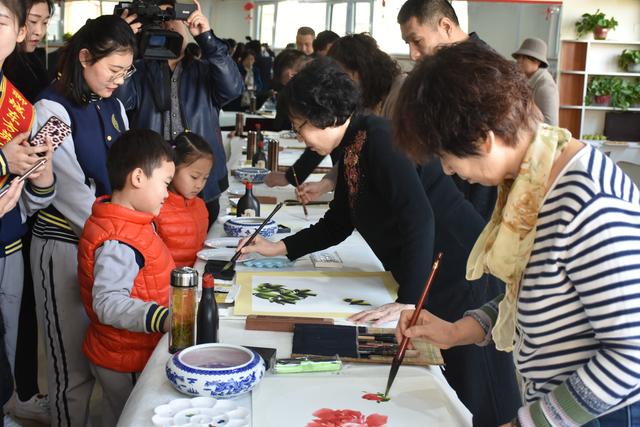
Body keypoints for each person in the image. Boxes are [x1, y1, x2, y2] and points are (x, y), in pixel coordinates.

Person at [394, 40, 640, 427]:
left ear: (484, 138)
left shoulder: (588, 203)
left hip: (600, 414)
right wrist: (458, 330)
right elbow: (536, 293)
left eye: (446, 156)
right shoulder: (530, 184)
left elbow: (631, 357)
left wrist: (532, 423)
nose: (445, 171)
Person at [240, 57, 435, 319]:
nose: (300, 138)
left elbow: (419, 217)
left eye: (300, 128)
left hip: (444, 273)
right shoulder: (353, 141)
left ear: (324, 114)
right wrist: (279, 247)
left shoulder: (378, 138)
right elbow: (339, 222)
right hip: (416, 273)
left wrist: (409, 299)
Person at [30, 15, 137, 426]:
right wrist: (123, 234)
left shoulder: (112, 105)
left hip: (109, 244)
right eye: (113, 71)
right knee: (70, 368)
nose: (119, 81)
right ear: (86, 57)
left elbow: (126, 175)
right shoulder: (51, 109)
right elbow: (71, 192)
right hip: (64, 248)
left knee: (107, 358)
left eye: (126, 72)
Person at [77, 130, 175, 427]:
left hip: (126, 352)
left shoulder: (128, 222)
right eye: (165, 184)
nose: (168, 194)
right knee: (129, 419)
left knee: (116, 415)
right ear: (137, 178)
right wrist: (160, 318)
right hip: (125, 357)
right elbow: (107, 302)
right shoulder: (119, 239)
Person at [116, 0, 243, 226]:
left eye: (170, 17)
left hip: (203, 183)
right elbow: (119, 101)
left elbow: (233, 88)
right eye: (158, 19)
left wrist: (207, 38)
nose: (166, 25)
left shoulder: (206, 70)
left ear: (185, 21)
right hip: (151, 186)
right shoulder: (136, 72)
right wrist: (122, 45)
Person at [2, 0, 55, 422]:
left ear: (20, 33)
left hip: (9, 247)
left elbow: (31, 199)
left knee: (5, 356)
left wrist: (41, 180)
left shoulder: (21, 107)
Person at [397, 0, 496, 221]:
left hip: (470, 205)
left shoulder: (482, 69)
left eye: (417, 41)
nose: (413, 54)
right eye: (408, 43)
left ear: (446, 26)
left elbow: (483, 157)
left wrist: (470, 223)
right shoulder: (448, 66)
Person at [155, 131, 211, 267]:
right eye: (194, 177)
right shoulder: (157, 208)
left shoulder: (200, 206)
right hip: (167, 284)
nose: (199, 185)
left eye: (205, 178)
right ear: (173, 168)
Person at [512, 37, 559, 126]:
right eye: (518, 57)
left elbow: (551, 124)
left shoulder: (545, 86)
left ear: (537, 61)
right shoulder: (526, 79)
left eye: (524, 57)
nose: (518, 61)